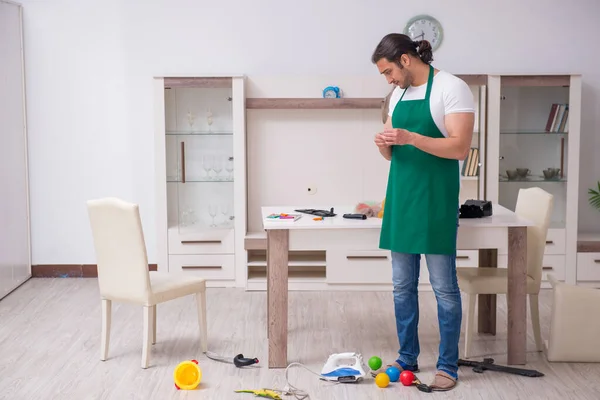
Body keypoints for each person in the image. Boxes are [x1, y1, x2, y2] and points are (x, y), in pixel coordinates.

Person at [370, 33, 475, 391]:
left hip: (435, 200)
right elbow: (392, 153)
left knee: (444, 288)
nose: (388, 81)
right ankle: (407, 357)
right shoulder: (397, 95)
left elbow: (460, 147)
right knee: (402, 287)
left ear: (404, 59)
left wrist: (411, 137)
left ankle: (447, 365)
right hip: (401, 198)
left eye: (388, 72)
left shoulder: (451, 87)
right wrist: (384, 145)